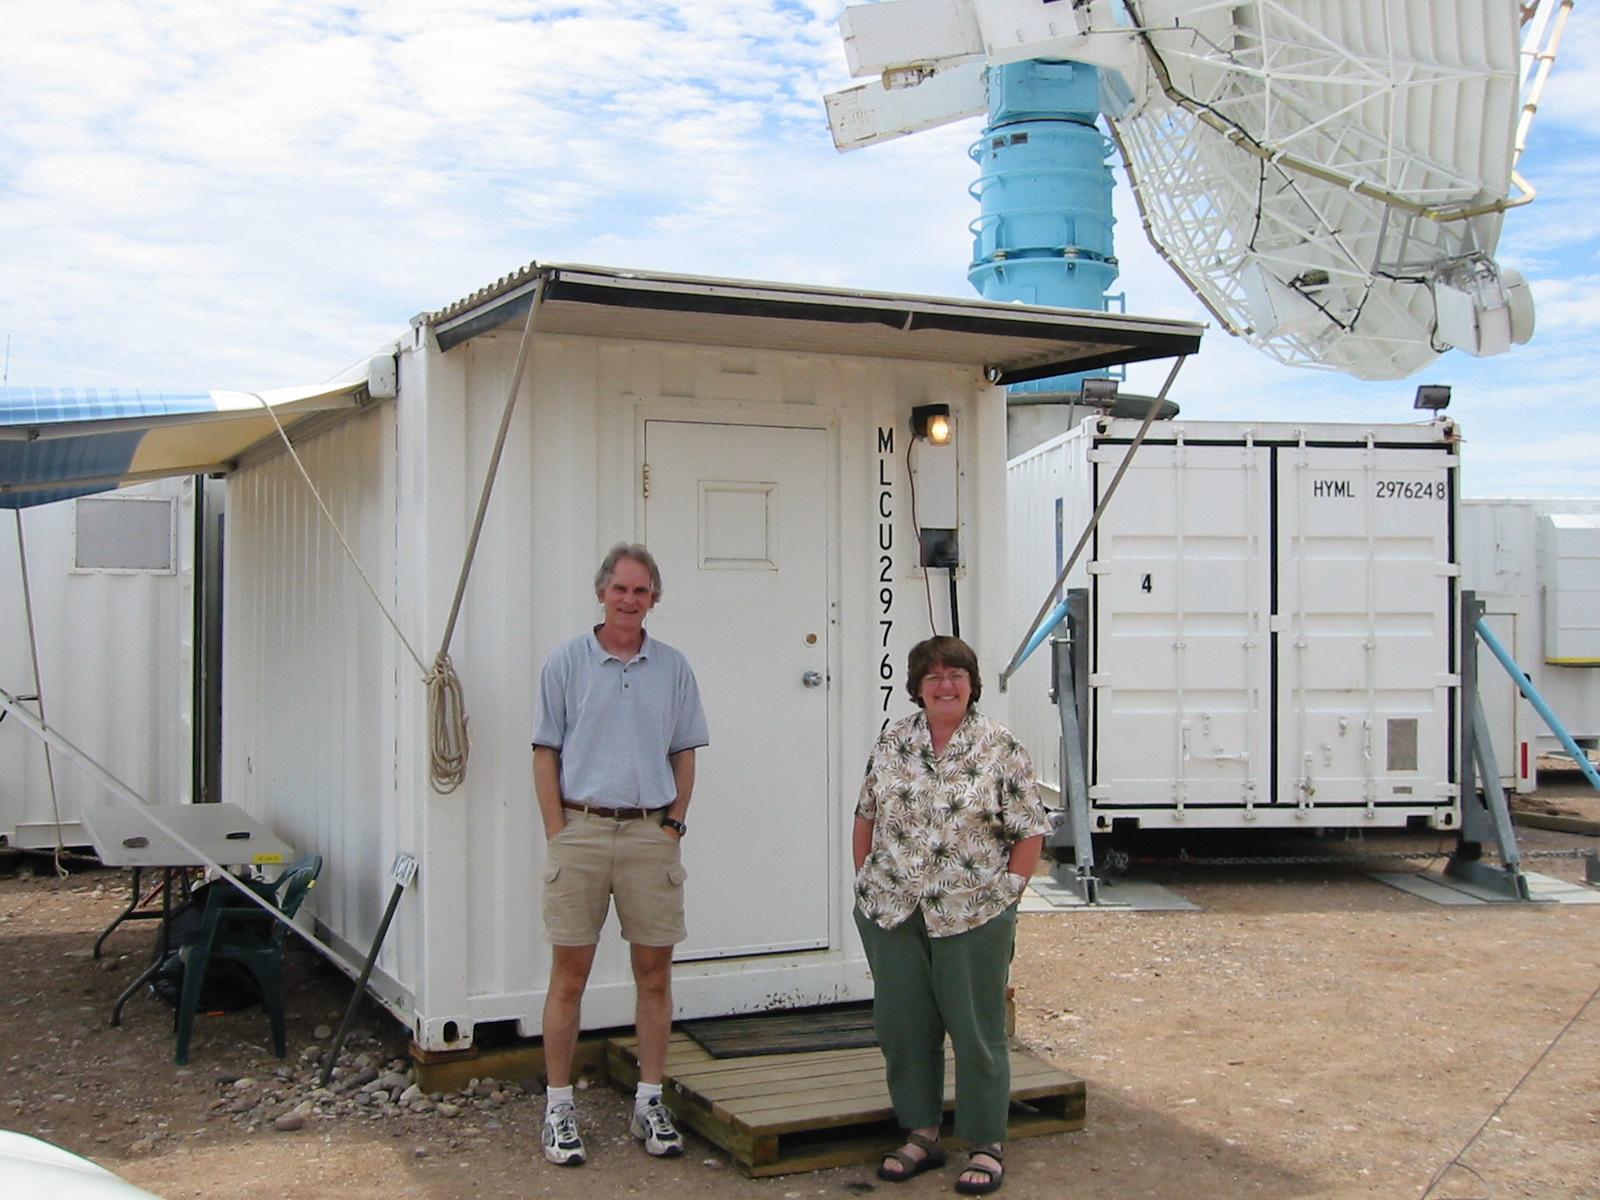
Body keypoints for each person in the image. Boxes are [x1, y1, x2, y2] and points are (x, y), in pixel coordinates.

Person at [532, 543, 709, 1167]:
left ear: (653, 598)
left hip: (647, 834)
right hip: (580, 830)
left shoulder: (673, 668)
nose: (629, 600)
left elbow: (685, 751)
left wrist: (674, 825)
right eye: (620, 589)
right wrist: (558, 831)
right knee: (569, 977)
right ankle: (559, 1109)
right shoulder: (566, 662)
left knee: (655, 975)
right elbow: (546, 751)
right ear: (601, 593)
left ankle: (649, 1102)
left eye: (641, 591)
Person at [853, 635, 1048, 1196]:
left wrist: (1008, 895)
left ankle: (986, 1142)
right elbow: (866, 813)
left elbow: (1030, 830)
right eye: (933, 676)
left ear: (971, 683)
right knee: (903, 1028)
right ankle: (921, 1133)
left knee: (976, 1030)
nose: (945, 685)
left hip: (974, 913)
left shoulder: (1001, 745)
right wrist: (866, 880)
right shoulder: (893, 740)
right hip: (893, 910)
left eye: (955, 675)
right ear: (917, 687)